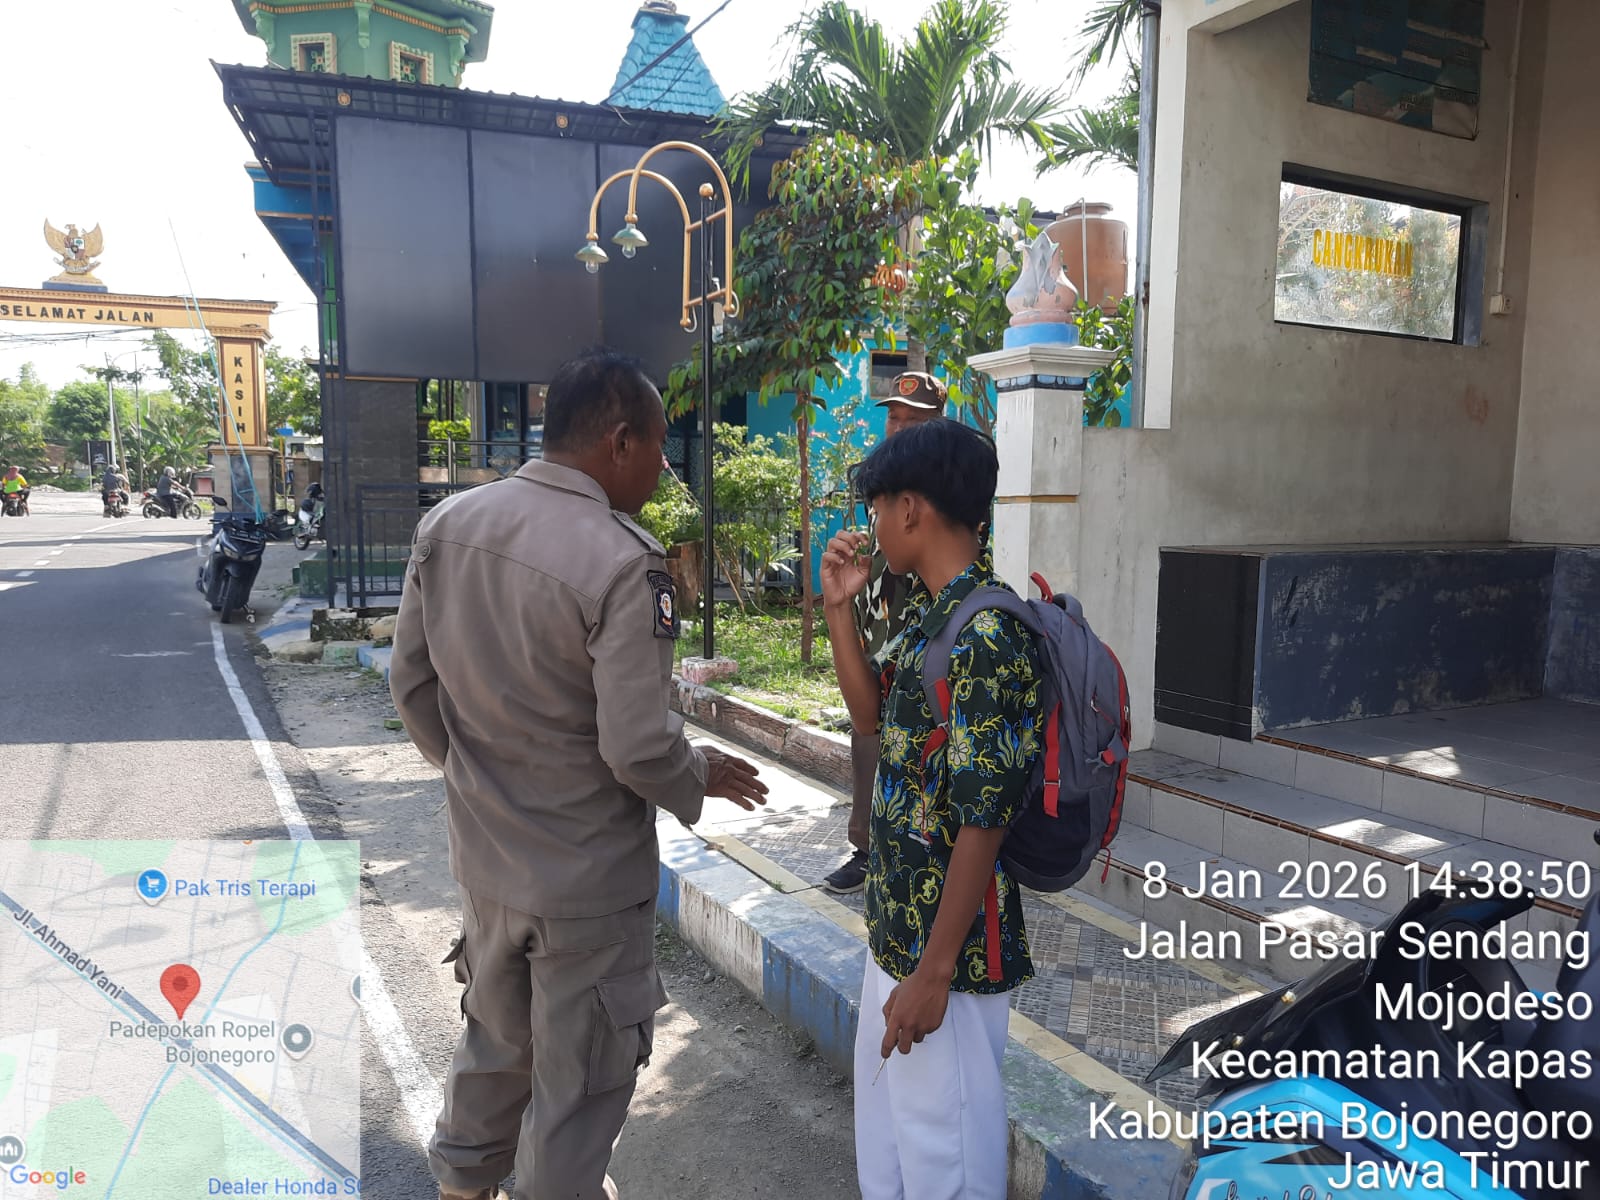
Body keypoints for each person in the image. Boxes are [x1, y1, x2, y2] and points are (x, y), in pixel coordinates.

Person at [390, 348, 770, 1200]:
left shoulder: (447, 525)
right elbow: (635, 747)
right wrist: (696, 774)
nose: (664, 468)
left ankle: (461, 1188)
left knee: (493, 1048)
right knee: (579, 1091)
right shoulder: (625, 559)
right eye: (660, 446)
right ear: (619, 440)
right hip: (586, 887)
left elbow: (411, 686)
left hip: (488, 864)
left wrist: (481, 780)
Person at [820, 418, 1042, 1200]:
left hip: (951, 958)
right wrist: (839, 609)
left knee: (947, 1160)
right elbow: (870, 717)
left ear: (911, 508)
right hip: (899, 936)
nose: (874, 523)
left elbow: (986, 819)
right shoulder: (933, 615)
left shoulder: (989, 634)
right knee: (892, 1151)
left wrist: (934, 973)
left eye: (878, 506)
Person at [821, 371, 947, 894]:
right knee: (866, 736)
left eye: (912, 421)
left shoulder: (947, 499)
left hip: (921, 652)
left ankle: (903, 854)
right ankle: (866, 847)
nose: (897, 429)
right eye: (894, 418)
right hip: (875, 639)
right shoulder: (885, 494)